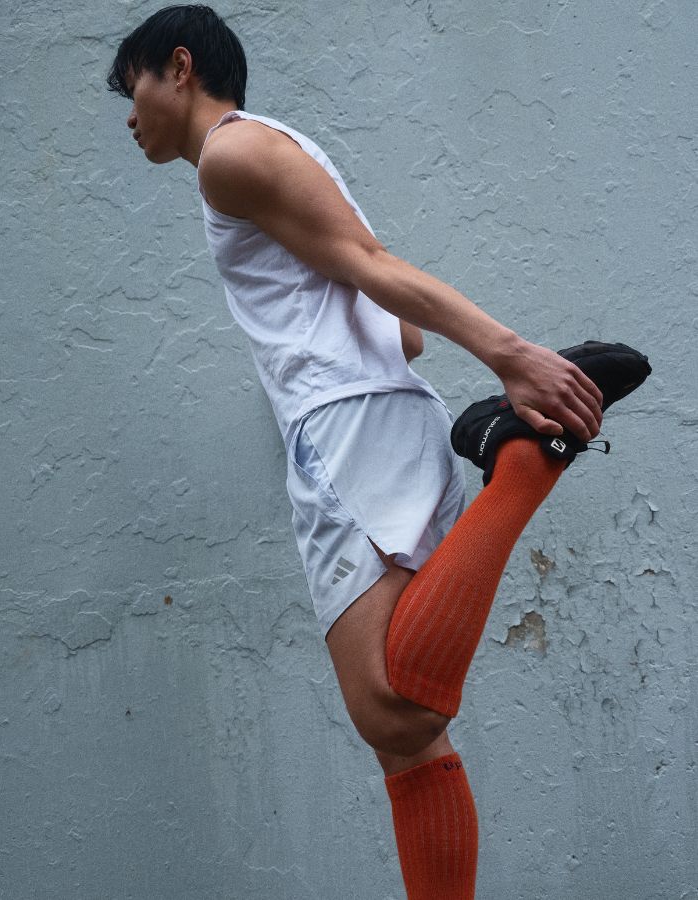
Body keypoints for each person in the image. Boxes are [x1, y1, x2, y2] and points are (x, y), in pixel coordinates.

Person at [107, 7, 650, 897]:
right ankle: (511, 452)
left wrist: (511, 355)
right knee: (409, 740)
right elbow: (401, 332)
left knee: (395, 708)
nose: (129, 117)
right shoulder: (286, 154)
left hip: (344, 423)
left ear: (178, 67)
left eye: (130, 88)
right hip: (379, 412)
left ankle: (521, 459)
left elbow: (369, 266)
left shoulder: (231, 154)